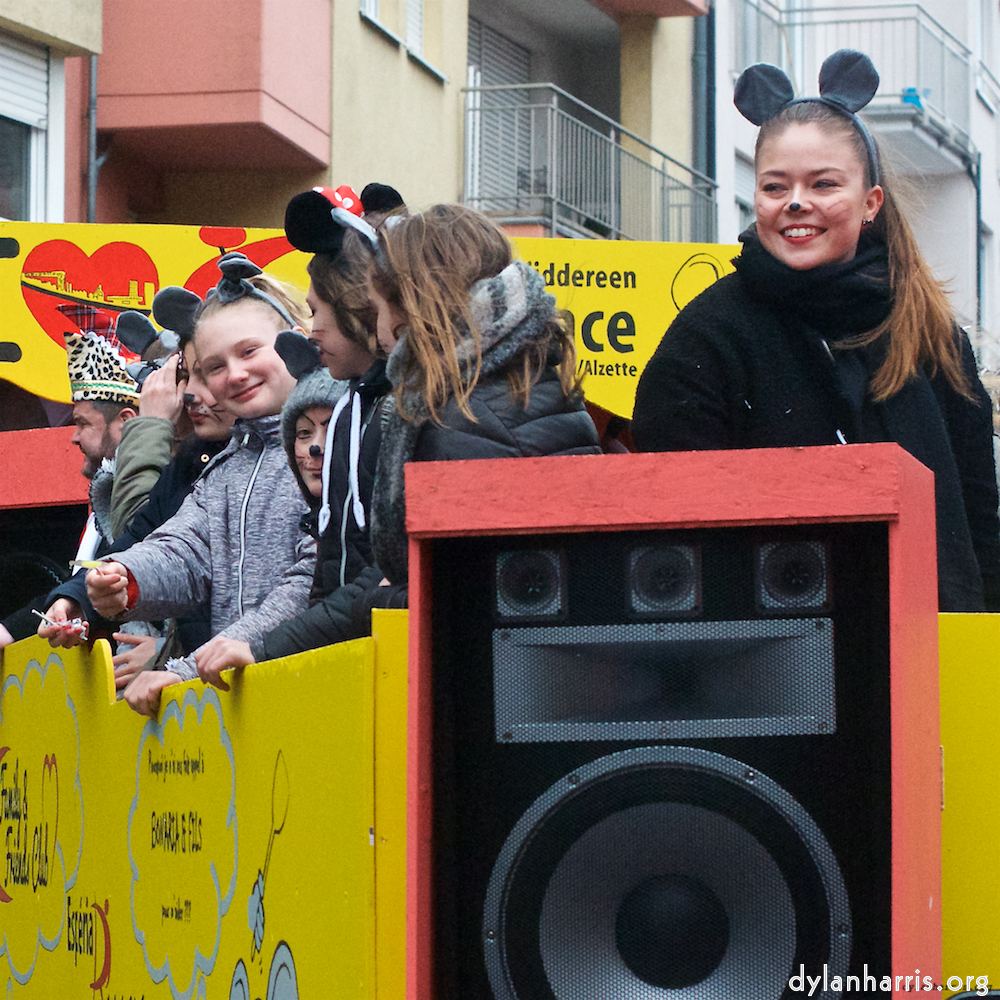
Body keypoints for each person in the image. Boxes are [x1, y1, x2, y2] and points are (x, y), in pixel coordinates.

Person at [631, 49, 1000, 613]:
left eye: (824, 184)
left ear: (870, 202)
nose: (797, 202)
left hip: (934, 652)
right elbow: (674, 536)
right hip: (776, 664)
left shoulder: (931, 336)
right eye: (775, 187)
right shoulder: (705, 337)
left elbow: (978, 525)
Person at [85, 253, 317, 715]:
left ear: (297, 341)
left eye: (249, 351)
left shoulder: (326, 450)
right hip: (245, 705)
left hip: (315, 688)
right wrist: (127, 578)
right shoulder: (227, 467)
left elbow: (311, 580)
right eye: (212, 366)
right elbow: (183, 549)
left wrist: (188, 666)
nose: (233, 374)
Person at [191, 183, 397, 681]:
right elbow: (334, 572)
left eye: (318, 311)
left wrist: (270, 648)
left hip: (378, 666)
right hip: (337, 665)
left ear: (360, 309)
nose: (311, 330)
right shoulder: (353, 409)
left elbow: (381, 572)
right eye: (212, 365)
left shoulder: (391, 412)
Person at [0, 305, 140, 648]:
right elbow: (84, 581)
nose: (73, 437)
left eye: (83, 423)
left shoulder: (145, 494)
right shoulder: (106, 494)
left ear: (123, 421)